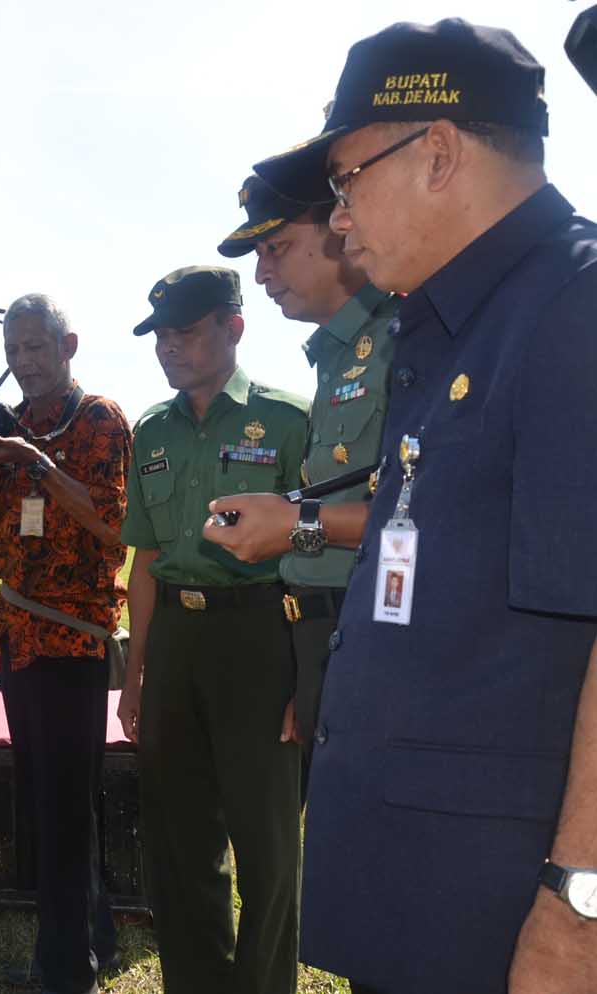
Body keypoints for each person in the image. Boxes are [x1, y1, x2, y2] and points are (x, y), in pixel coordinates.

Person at [251, 18, 597, 994]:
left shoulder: (575, 308)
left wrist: (579, 908)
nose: (341, 220)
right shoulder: (451, 322)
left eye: (348, 179)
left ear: (437, 150)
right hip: (431, 885)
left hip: (509, 904)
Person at [116, 266, 307, 994]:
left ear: (234, 327)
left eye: (186, 331)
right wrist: (136, 673)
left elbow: (322, 549)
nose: (170, 347)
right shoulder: (152, 430)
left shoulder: (291, 420)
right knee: (179, 842)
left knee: (267, 847)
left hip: (261, 637)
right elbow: (147, 559)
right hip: (175, 644)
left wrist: (307, 669)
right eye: (161, 335)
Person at [0, 293, 128, 994]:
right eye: (12, 351)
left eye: (35, 348)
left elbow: (115, 524)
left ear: (68, 346)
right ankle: (96, 938)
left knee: (64, 803)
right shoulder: (12, 424)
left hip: (74, 641)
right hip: (19, 635)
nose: (23, 362)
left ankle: (64, 970)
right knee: (49, 797)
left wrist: (38, 460)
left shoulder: (99, 420)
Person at [205, 172, 398, 788]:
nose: (262, 273)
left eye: (276, 247)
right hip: (321, 639)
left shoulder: (406, 337)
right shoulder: (338, 354)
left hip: (376, 636)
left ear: (339, 224)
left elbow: (423, 521)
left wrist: (292, 526)